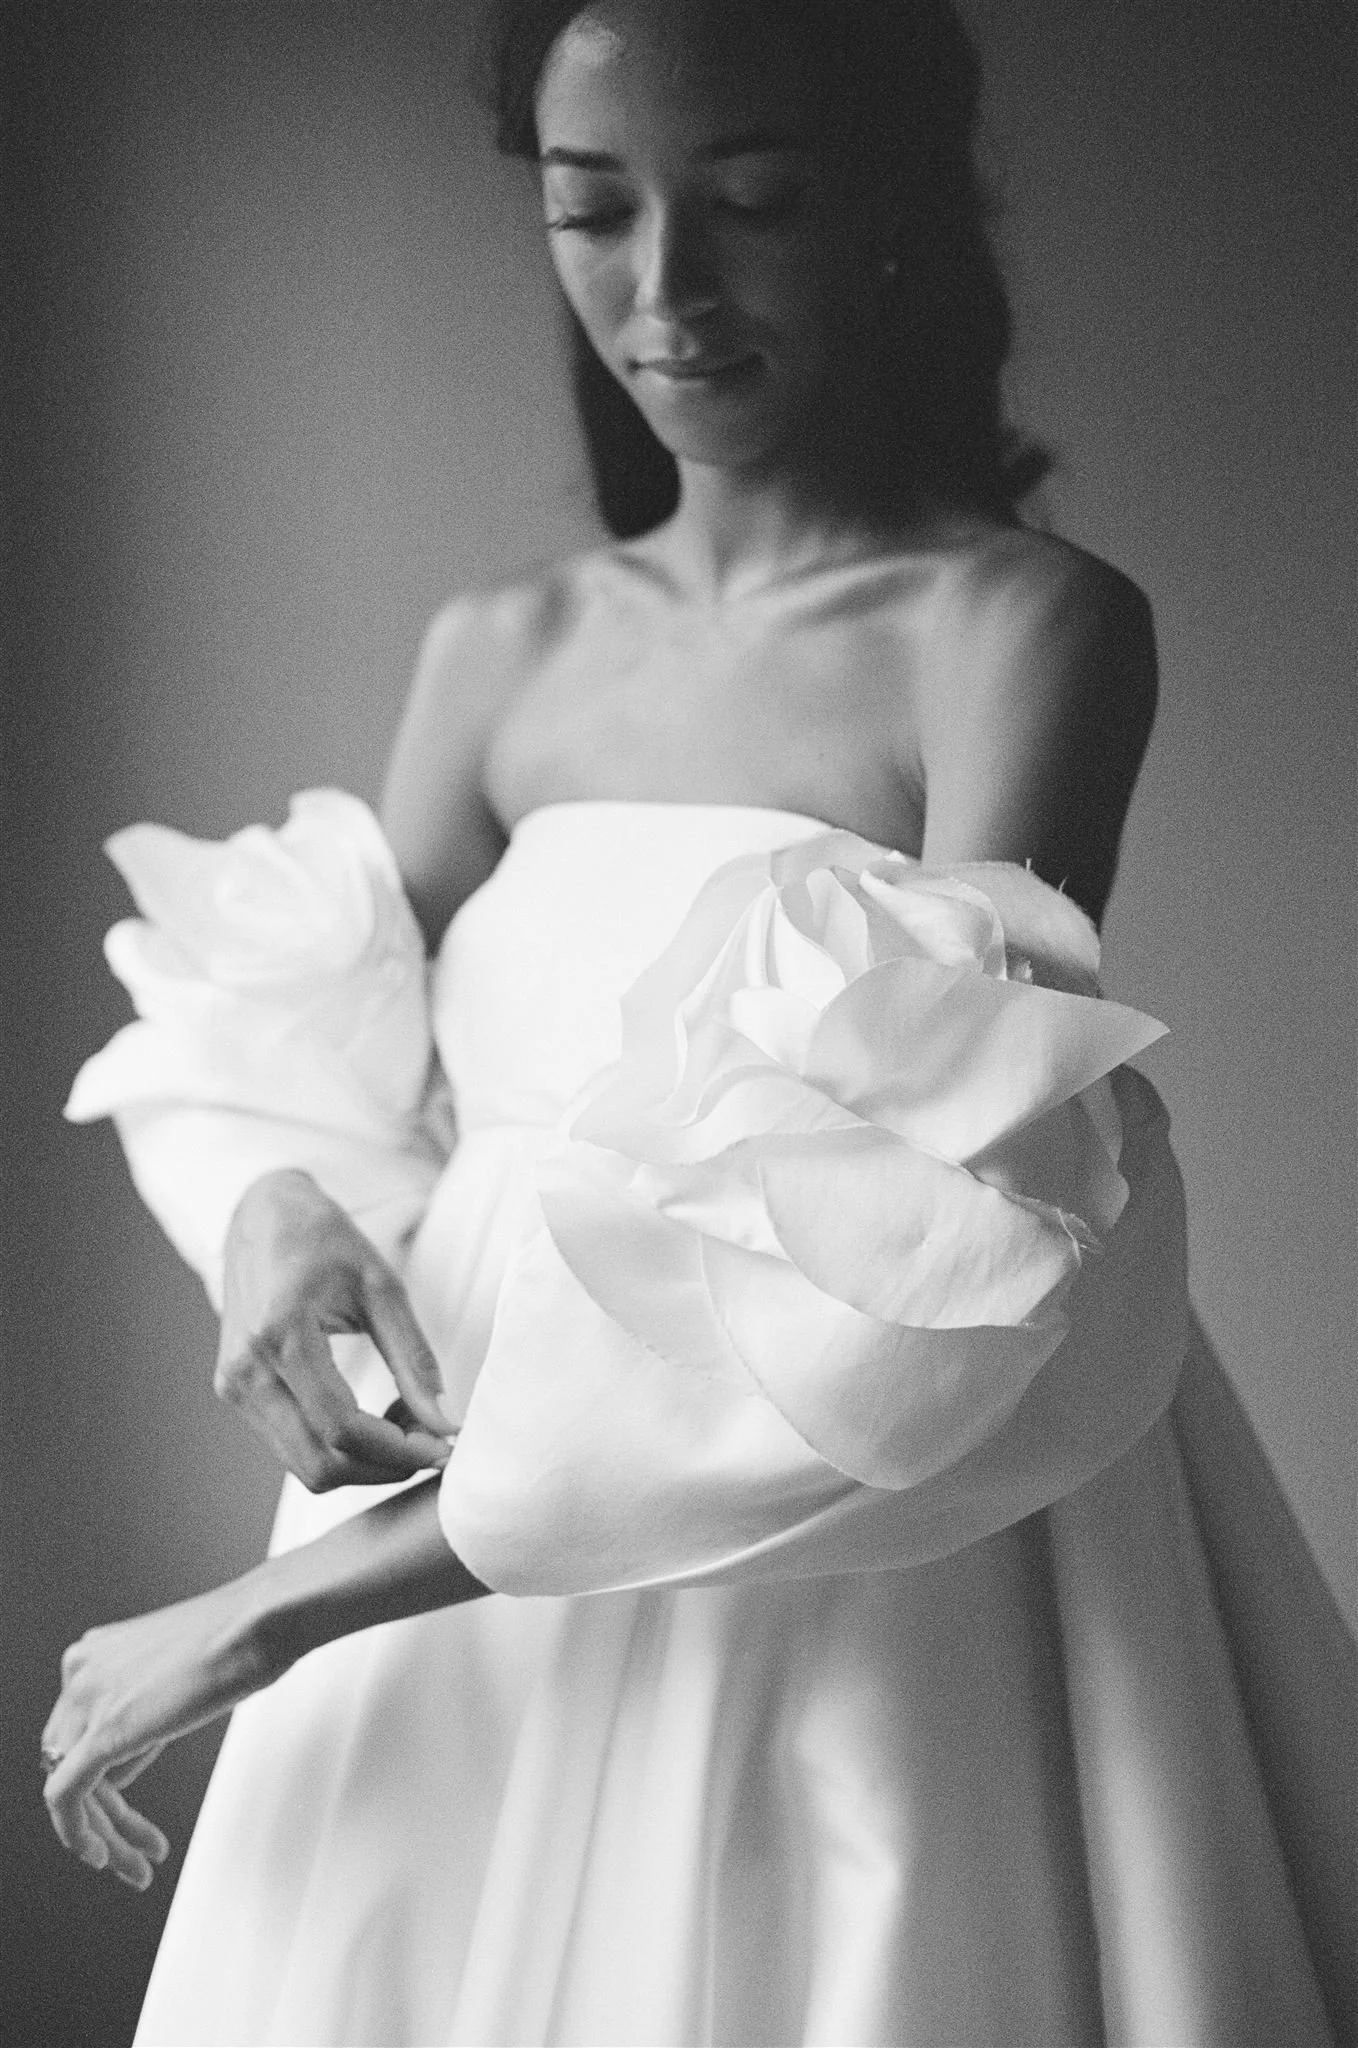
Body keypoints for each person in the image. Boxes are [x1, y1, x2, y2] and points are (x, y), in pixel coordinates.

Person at [43, 2, 1354, 2043]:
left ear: (899, 219)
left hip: (859, 1541)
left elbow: (928, 1252)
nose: (660, 293)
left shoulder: (1015, 629)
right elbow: (321, 1046)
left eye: (754, 201)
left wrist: (275, 1610)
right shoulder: (500, 647)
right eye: (588, 211)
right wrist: (282, 1205)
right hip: (468, 1524)